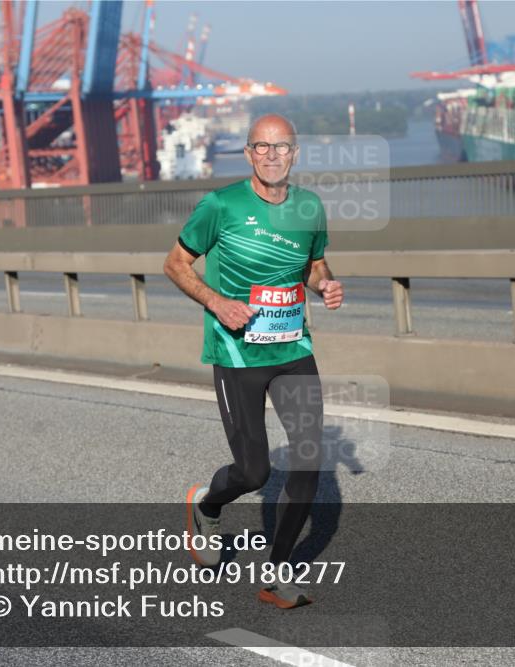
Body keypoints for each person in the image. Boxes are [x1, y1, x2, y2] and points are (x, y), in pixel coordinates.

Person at [163, 114, 343, 609]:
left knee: (309, 459)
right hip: (237, 352)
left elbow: (313, 262)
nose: (270, 155)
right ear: (248, 155)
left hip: (293, 351)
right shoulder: (220, 206)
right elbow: (175, 264)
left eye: (280, 147)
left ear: (294, 153)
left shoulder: (309, 206)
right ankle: (208, 505)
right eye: (260, 148)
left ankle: (278, 572)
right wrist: (216, 301)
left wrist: (325, 283)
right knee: (255, 474)